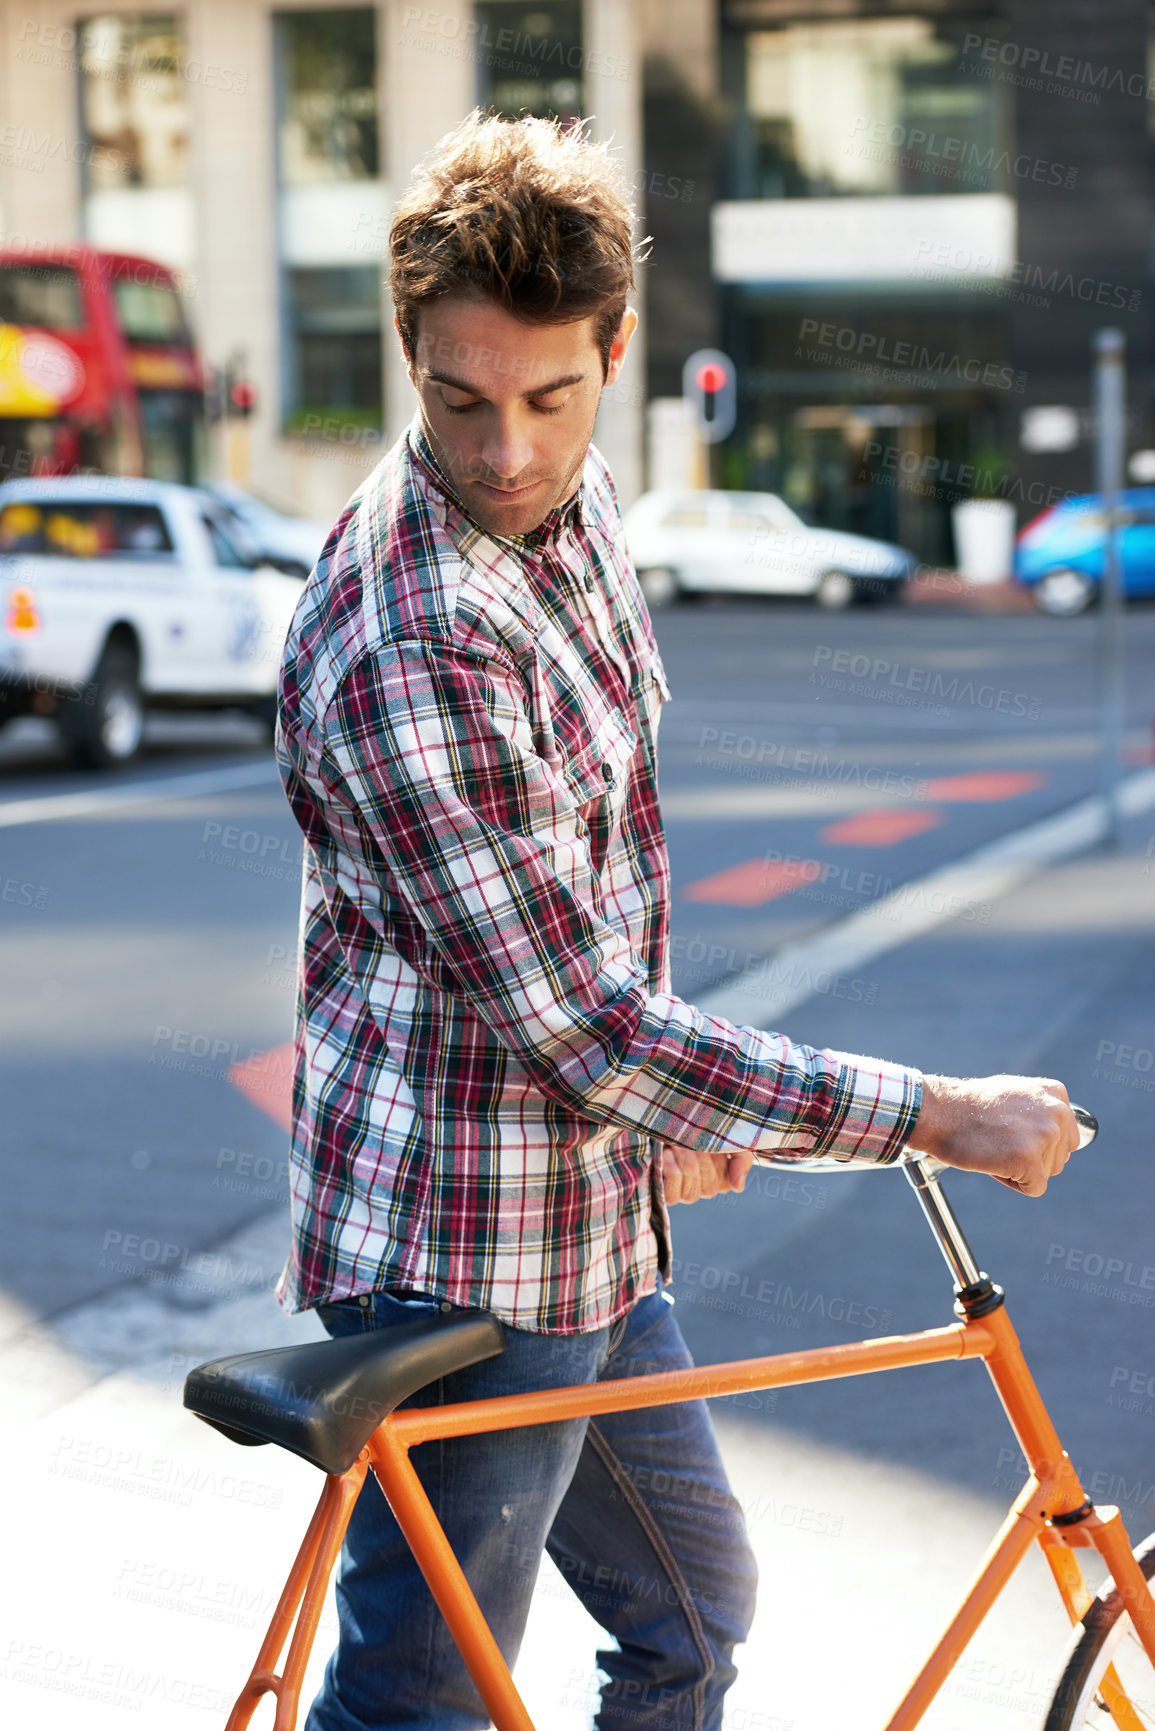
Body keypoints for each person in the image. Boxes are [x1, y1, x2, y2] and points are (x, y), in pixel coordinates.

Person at [274, 109, 1077, 1731]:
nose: (506, 452)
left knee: (696, 1618)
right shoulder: (412, 637)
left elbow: (603, 875)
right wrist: (930, 1114)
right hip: (459, 1252)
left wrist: (657, 1129)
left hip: (586, 1212)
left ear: (618, 353)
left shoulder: (576, 515)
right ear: (409, 352)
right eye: (460, 399)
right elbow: (581, 1027)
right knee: (425, 1698)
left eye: (551, 399)